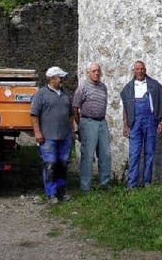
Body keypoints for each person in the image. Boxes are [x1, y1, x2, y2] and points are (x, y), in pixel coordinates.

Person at [30, 65, 75, 203]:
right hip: (48, 136)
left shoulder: (65, 94)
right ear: (52, 79)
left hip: (64, 136)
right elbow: (34, 115)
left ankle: (61, 192)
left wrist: (72, 132)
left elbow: (70, 116)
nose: (62, 79)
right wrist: (37, 132)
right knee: (50, 165)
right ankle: (51, 194)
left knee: (62, 165)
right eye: (59, 77)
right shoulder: (41, 94)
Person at [120, 60, 162, 188]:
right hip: (135, 122)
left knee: (149, 152)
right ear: (133, 70)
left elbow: (161, 104)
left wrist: (161, 121)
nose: (140, 71)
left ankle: (147, 182)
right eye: (137, 69)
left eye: (142, 69)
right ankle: (132, 184)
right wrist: (125, 125)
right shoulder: (128, 88)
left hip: (151, 120)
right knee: (134, 153)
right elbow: (125, 108)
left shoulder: (154, 86)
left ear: (145, 70)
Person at [73, 62, 111, 192]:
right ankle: (85, 186)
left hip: (102, 122)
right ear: (88, 73)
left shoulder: (103, 87)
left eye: (98, 71)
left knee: (105, 154)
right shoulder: (82, 87)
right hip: (88, 122)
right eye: (94, 71)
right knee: (88, 156)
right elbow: (75, 108)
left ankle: (104, 184)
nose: (97, 73)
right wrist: (80, 125)